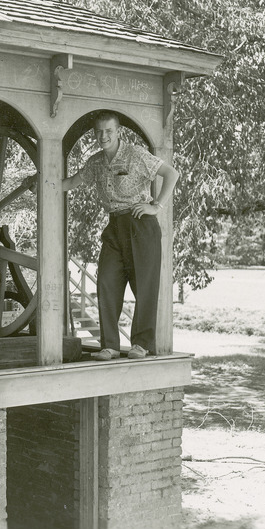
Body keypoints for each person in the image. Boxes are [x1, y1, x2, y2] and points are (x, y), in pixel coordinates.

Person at [63, 112, 179, 360]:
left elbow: (172, 174)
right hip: (114, 228)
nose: (103, 136)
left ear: (118, 132)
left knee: (145, 287)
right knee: (106, 282)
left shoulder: (136, 155)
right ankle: (110, 346)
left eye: (108, 131)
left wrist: (156, 206)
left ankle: (141, 344)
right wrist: (42, 182)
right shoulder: (96, 162)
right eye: (99, 131)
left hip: (141, 226)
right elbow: (71, 182)